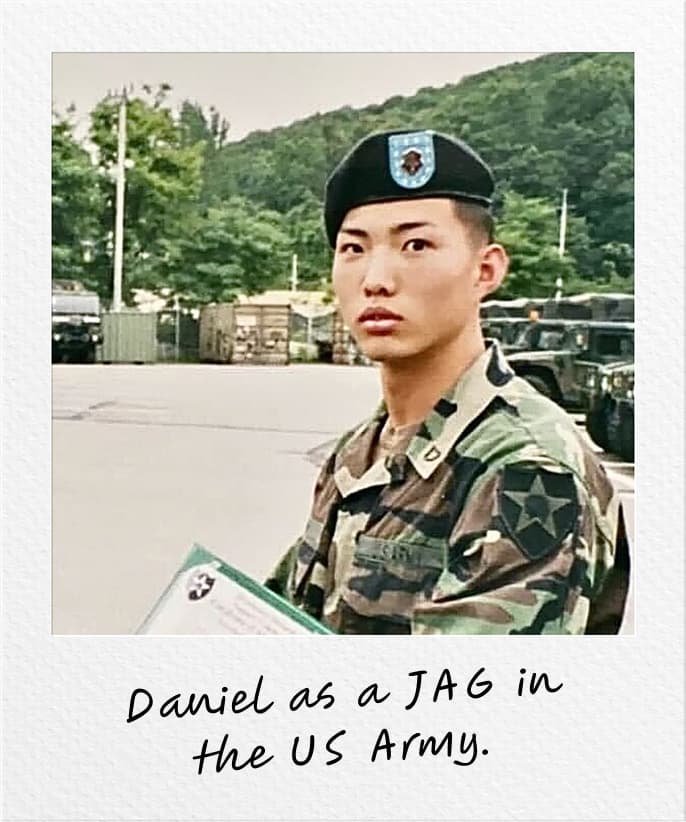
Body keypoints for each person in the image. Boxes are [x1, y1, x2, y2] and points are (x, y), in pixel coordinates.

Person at [266, 128, 629, 634]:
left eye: (416, 244)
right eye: (353, 248)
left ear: (486, 270)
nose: (376, 278)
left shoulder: (524, 467)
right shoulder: (359, 451)